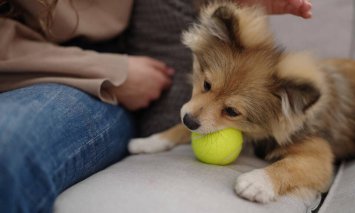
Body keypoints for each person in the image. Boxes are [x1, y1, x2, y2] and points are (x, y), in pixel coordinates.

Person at [0, 0, 311, 212]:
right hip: (27, 67)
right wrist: (111, 69)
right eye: (205, 86)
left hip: (94, 80)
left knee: (10, 142)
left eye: (230, 110)